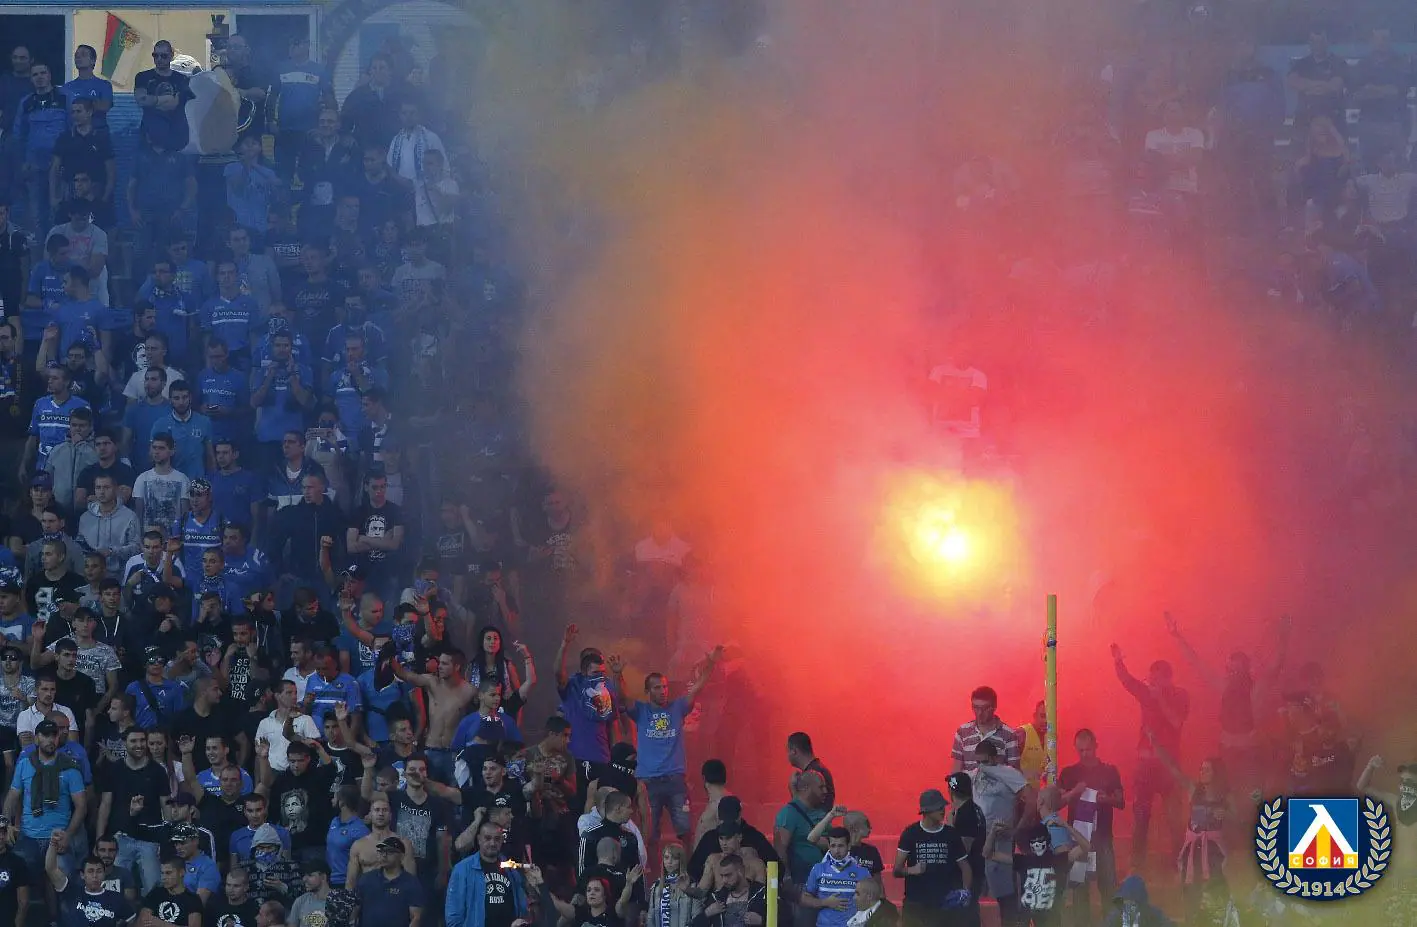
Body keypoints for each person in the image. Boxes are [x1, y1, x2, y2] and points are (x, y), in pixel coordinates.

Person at [1110, 644, 1189, 871]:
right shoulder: (1146, 693)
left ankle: (1180, 861)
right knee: (1141, 813)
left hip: (1169, 766)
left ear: (1167, 678)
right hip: (1146, 764)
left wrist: (1160, 699)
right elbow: (1127, 681)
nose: (1151, 683)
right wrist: (1118, 660)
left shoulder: (1180, 695)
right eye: (1150, 678)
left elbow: (1176, 722)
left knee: (1174, 815)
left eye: (1156, 679)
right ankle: (1138, 863)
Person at [5, 718, 86, 877]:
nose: (51, 739)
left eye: (54, 735)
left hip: (58, 837)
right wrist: (6, 824)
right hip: (28, 837)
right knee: (21, 882)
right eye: (46, 735)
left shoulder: (70, 767)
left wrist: (68, 835)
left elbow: (81, 806)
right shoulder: (24, 764)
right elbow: (12, 796)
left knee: (62, 885)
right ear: (36, 739)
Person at [1058, 729, 1124, 922]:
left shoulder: (1109, 771)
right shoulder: (1069, 773)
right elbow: (1056, 802)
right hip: (1078, 842)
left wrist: (1106, 799)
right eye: (1081, 750)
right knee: (1079, 888)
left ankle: (1111, 923)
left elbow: (1121, 801)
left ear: (1096, 746)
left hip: (1102, 839)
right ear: (1075, 748)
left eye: (1088, 749)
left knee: (1108, 887)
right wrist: (1075, 792)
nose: (1085, 754)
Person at [987, 817, 1090, 927]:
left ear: (1047, 840)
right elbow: (988, 854)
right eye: (1034, 841)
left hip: (1050, 921)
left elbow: (1086, 846)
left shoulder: (1058, 860)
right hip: (1028, 920)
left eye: (1040, 840)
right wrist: (992, 832)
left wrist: (1066, 826)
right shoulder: (1023, 860)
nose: (1037, 844)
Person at [893, 789, 970, 925]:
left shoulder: (951, 834)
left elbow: (965, 868)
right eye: (938, 808)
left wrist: (965, 892)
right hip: (916, 904)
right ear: (926, 811)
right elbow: (896, 871)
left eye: (942, 807)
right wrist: (911, 870)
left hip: (944, 903)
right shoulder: (911, 833)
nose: (942, 811)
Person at [444, 819, 531, 927]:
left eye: (497, 839)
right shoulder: (462, 869)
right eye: (487, 838)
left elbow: (523, 908)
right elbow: (453, 917)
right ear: (479, 839)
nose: (492, 843)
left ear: (502, 840)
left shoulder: (511, 869)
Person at [45, 839, 133, 927]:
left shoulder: (116, 898)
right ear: (82, 875)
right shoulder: (71, 891)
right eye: (90, 871)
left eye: (99, 871)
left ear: (104, 874)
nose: (95, 875)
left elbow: (133, 921)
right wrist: (53, 843)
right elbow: (51, 869)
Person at [802, 827, 873, 927]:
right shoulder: (818, 869)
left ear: (848, 846)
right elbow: (804, 899)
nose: (836, 850)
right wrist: (825, 902)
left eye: (841, 846)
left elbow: (872, 902)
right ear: (829, 846)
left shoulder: (862, 872)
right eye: (833, 846)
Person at [774, 770, 828, 888]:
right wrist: (786, 878)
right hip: (800, 882)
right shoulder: (789, 813)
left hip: (824, 880)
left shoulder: (822, 813)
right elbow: (780, 849)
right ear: (805, 788)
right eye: (821, 787)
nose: (825, 791)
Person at [355, 837, 423, 927]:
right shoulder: (366, 879)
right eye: (382, 851)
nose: (384, 855)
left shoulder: (411, 883)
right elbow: (355, 910)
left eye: (390, 851)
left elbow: (416, 918)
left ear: (401, 856)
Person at [951, 686, 1021, 773]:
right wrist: (953, 782)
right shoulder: (962, 732)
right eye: (976, 707)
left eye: (985, 708)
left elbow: (1015, 772)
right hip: (968, 782)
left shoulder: (1009, 734)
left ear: (994, 706)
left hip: (996, 781)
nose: (980, 713)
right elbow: (956, 770)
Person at [687, 853, 765, 927]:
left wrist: (762, 921)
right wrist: (707, 913)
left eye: (728, 875)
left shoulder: (762, 894)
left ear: (740, 871)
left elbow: (773, 921)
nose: (724, 880)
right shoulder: (717, 898)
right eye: (722, 876)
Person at [141, 854, 202, 927]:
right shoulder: (155, 893)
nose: (163, 877)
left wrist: (162, 924)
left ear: (181, 872)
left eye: (168, 873)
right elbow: (142, 921)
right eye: (162, 873)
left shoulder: (193, 899)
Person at [289, 858, 332, 927]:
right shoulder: (300, 901)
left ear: (323, 877)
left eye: (310, 875)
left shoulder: (338, 903)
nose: (304, 879)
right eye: (304, 875)